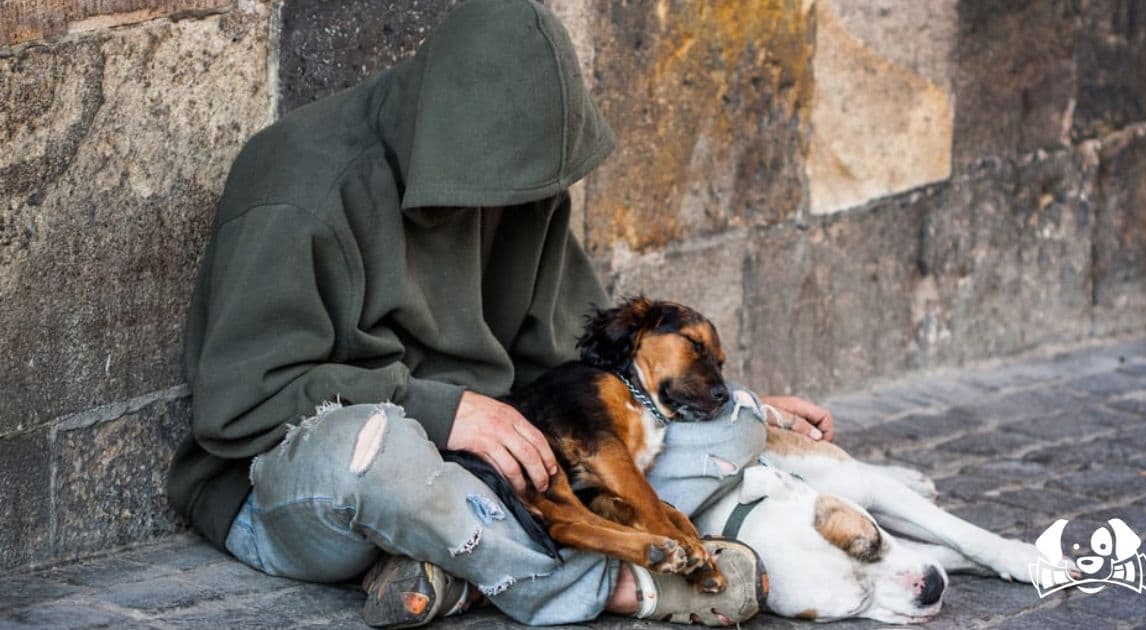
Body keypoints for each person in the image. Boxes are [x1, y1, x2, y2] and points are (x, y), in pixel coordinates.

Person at [166, 0, 835, 626]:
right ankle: (617, 586)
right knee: (377, 451)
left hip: (498, 480)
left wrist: (717, 400)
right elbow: (239, 404)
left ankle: (455, 569)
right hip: (303, 491)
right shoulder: (300, 188)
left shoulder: (528, 189)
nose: (524, 206)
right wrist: (443, 409)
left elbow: (578, 374)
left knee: (731, 429)